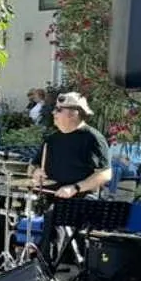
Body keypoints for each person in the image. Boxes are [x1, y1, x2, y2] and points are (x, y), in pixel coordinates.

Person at [29, 92, 112, 262]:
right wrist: (35, 172)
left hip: (81, 200)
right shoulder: (51, 139)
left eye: (59, 110)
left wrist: (75, 188)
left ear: (74, 113)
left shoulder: (93, 138)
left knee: (54, 216)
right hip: (51, 198)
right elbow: (33, 165)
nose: (54, 113)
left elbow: (105, 174)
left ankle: (49, 265)